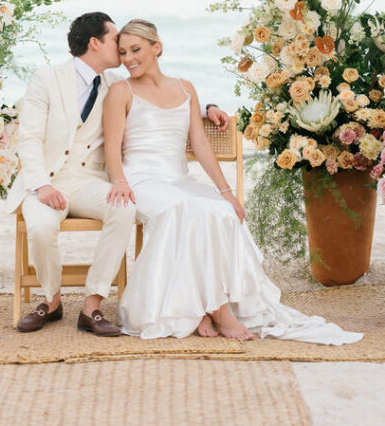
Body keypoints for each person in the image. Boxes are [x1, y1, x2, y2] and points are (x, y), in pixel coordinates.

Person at [103, 19, 363, 345]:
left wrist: (225, 191)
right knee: (184, 209)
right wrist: (120, 180)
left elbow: (199, 144)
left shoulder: (185, 88)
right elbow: (112, 146)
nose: (128, 58)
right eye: (123, 52)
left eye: (136, 50)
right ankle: (218, 308)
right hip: (141, 180)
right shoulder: (120, 90)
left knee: (221, 212)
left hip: (177, 178)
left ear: (157, 47)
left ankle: (203, 307)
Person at [6, 12, 229, 335]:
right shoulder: (46, 79)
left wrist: (209, 107)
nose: (123, 52)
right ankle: (51, 301)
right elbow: (28, 138)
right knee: (40, 227)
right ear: (95, 43)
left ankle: (91, 306)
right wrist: (41, 184)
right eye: (116, 42)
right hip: (47, 181)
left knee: (124, 208)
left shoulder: (115, 84)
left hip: (88, 182)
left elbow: (159, 95)